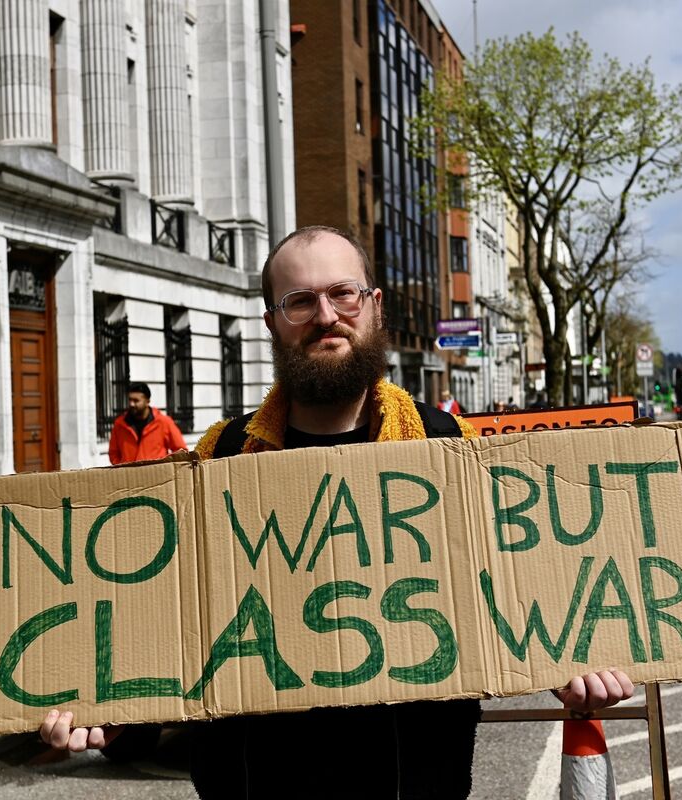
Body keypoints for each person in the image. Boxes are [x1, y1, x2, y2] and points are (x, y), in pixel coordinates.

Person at [40, 226, 633, 798]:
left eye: (342, 293)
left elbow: (512, 592)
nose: (325, 315)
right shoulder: (219, 457)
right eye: (300, 301)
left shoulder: (450, 446)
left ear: (373, 306)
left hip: (413, 786)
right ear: (272, 323)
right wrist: (119, 711)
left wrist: (568, 659)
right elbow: (169, 626)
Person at [107, 382, 188, 464]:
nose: (131, 404)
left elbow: (181, 451)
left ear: (147, 401)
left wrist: (166, 468)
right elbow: (113, 453)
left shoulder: (164, 422)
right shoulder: (119, 424)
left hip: (157, 475)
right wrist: (121, 469)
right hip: (128, 475)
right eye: (130, 400)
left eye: (136, 400)